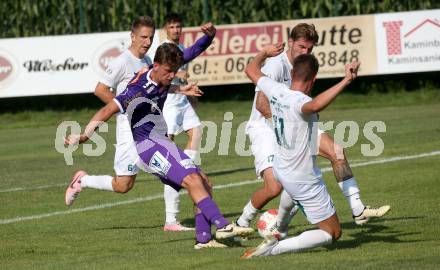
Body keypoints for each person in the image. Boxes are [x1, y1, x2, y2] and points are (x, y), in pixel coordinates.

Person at [65, 23, 254, 249]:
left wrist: (210, 37)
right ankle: (223, 225)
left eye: (175, 71)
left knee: (204, 182)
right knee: (192, 180)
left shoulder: (164, 70)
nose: (172, 76)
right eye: (168, 72)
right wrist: (84, 137)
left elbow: (192, 52)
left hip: (161, 141)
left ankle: (204, 240)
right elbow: (106, 110)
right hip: (147, 147)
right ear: (156, 66)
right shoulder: (136, 90)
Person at [236, 24, 390, 237]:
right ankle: (242, 220)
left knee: (336, 151)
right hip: (266, 127)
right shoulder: (275, 66)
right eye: (301, 47)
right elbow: (262, 106)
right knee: (274, 187)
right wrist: (290, 129)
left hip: (292, 124)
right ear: (290, 42)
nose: (305, 52)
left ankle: (358, 210)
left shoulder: (304, 67)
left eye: (309, 49)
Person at [63, 16, 191, 232]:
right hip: (128, 129)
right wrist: (123, 107)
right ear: (132, 36)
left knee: (130, 182)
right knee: (135, 181)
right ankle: (83, 181)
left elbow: (155, 87)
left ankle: (171, 221)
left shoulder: (148, 60)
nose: (147, 41)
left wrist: (180, 89)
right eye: (143, 37)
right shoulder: (122, 61)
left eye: (150, 37)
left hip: (145, 128)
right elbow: (101, 90)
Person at [242, 43, 359, 258]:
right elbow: (314, 106)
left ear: (292, 73)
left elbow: (250, 70)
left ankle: (279, 228)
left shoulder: (275, 90)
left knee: (291, 192)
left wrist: (264, 54)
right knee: (332, 232)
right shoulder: (301, 101)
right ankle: (273, 249)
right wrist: (345, 81)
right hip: (304, 178)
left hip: (281, 169)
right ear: (314, 79)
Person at [148, 13, 204, 231]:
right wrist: (181, 74)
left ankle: (188, 168)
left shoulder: (179, 47)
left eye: (179, 26)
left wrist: (188, 95)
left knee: (196, 131)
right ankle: (171, 217)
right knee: (167, 148)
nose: (176, 30)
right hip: (169, 102)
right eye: (172, 26)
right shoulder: (164, 47)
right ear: (165, 29)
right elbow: (161, 71)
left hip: (182, 100)